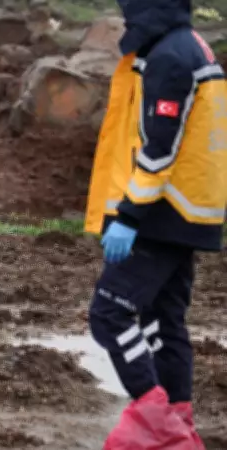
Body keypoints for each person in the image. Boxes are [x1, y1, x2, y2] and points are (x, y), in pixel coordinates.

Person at [84, 0, 226, 447]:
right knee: (165, 320)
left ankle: (154, 422)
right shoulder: (191, 46)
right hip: (185, 210)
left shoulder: (169, 57)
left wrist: (129, 215)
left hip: (162, 212)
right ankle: (178, 419)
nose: (127, 20)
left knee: (109, 311)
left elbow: (159, 146)